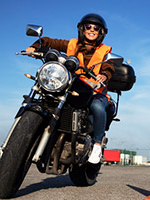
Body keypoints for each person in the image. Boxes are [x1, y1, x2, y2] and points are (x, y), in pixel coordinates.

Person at [25, 13, 115, 164]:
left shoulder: (104, 51)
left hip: (94, 91)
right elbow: (49, 41)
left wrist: (105, 74)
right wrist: (34, 47)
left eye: (96, 28)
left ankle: (97, 146)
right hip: (71, 86)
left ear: (101, 32)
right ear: (82, 29)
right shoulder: (72, 44)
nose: (92, 30)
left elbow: (109, 65)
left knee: (97, 107)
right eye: (88, 26)